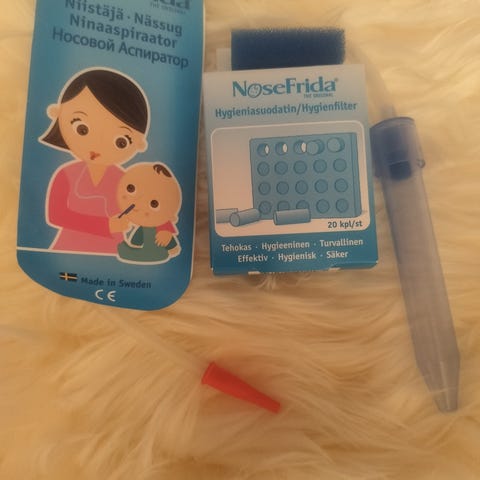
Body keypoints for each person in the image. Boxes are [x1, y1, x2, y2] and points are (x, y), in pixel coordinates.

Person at [40, 67, 149, 254]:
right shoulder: (66, 174)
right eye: (82, 129)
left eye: (120, 141)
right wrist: (105, 225)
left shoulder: (125, 180)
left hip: (114, 254)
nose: (98, 145)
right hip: (69, 250)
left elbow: (142, 209)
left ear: (138, 144)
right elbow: (56, 216)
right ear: (57, 113)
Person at [116, 162, 182, 264]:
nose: (137, 203)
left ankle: (128, 252)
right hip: (145, 253)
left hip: (160, 254)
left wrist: (171, 244)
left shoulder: (163, 231)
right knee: (127, 250)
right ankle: (128, 251)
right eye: (131, 188)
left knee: (128, 251)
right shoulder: (143, 228)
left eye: (154, 204)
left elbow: (172, 246)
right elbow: (136, 242)